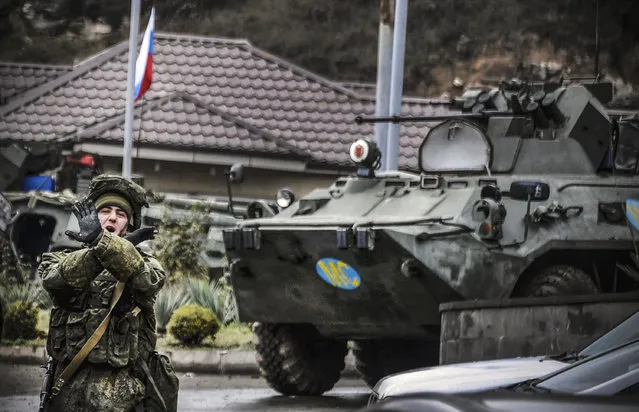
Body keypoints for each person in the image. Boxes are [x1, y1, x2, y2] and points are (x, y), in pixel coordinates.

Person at [37, 174, 178, 412]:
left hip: (122, 395)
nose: (112, 217)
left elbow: (148, 283)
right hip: (68, 392)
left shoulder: (146, 264)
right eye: (104, 211)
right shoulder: (59, 259)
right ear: (89, 217)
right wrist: (100, 246)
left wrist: (102, 242)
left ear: (129, 225)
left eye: (121, 214)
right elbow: (55, 281)